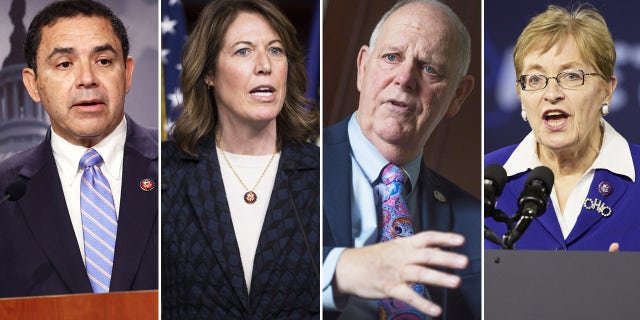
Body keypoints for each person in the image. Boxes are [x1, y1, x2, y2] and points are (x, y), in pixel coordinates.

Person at [161, 0, 320, 318]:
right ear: (209, 74)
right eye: (243, 51)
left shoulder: (321, 174)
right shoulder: (166, 173)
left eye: (275, 50)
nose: (265, 65)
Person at [322, 0, 480, 319]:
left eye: (429, 68)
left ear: (458, 96)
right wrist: (342, 268)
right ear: (363, 67)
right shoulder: (288, 161)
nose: (405, 77)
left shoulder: (478, 224)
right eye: (392, 57)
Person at [0, 0, 158, 298]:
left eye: (103, 61)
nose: (87, 79)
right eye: (64, 64)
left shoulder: (180, 168)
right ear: (33, 85)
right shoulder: (6, 192)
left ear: (127, 74)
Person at [485, 4, 640, 251]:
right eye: (535, 79)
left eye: (571, 76)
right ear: (520, 93)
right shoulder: (485, 179)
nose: (552, 93)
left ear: (607, 90)